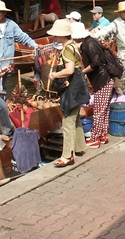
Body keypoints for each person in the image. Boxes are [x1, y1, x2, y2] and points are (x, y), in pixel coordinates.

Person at [47, 20, 89, 167]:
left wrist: (54, 75)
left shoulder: (66, 49)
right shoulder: (73, 45)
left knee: (67, 121)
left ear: (61, 36)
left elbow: (69, 70)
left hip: (72, 86)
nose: (55, 38)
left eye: (56, 35)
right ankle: (79, 147)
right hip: (79, 84)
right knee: (75, 117)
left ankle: (67, 155)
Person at [76, 22, 113, 148]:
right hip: (105, 79)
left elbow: (95, 63)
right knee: (104, 109)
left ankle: (95, 138)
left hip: (102, 79)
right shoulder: (91, 42)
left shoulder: (89, 44)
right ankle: (102, 134)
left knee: (98, 110)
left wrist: (82, 72)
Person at [0, 0, 38, 69]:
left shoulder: (12, 25)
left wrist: (35, 45)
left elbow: (23, 37)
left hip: (7, 64)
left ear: (4, 13)